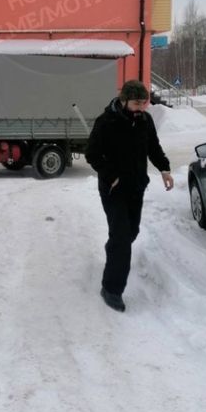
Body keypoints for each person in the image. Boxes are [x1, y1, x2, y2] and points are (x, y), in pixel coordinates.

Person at [85, 80, 174, 312]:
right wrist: (110, 175)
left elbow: (153, 147)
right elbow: (92, 154)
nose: (141, 107)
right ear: (124, 100)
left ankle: (115, 249)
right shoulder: (106, 122)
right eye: (136, 103)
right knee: (123, 238)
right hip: (113, 189)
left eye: (143, 103)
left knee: (129, 233)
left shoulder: (145, 121)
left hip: (136, 187)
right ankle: (111, 289)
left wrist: (164, 169)